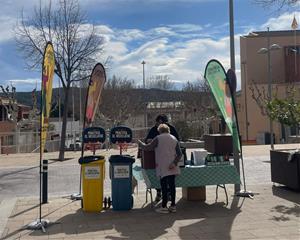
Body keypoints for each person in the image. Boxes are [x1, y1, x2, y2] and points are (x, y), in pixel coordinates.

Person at [139, 124, 182, 213]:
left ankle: (164, 206)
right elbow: (179, 154)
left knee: (164, 187)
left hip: (162, 165)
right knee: (172, 187)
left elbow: (148, 148)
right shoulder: (174, 138)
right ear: (168, 130)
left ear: (159, 130)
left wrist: (140, 144)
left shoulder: (158, 138)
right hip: (172, 165)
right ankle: (173, 206)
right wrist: (174, 163)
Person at [144, 114, 180, 202]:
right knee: (160, 178)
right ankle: (159, 193)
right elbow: (147, 141)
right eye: (158, 122)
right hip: (157, 158)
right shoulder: (153, 129)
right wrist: (147, 141)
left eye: (162, 122)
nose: (159, 124)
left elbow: (178, 140)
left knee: (168, 180)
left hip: (170, 158)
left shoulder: (171, 129)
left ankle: (168, 198)